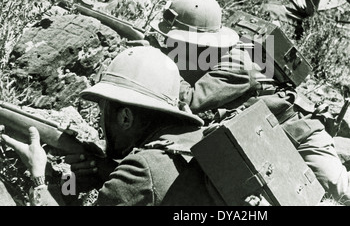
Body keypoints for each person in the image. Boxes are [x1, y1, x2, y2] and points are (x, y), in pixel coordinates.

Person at [150, 0, 350, 206]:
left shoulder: (237, 63)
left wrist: (153, 61)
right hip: (263, 141)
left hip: (298, 133)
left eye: (174, 41)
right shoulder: (203, 56)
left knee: (344, 193)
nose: (170, 45)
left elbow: (190, 101)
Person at [0, 46, 243, 206]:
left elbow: (140, 184)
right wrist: (67, 179)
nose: (100, 122)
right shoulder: (195, 142)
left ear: (125, 117)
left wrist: (40, 177)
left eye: (102, 110)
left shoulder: (140, 171)